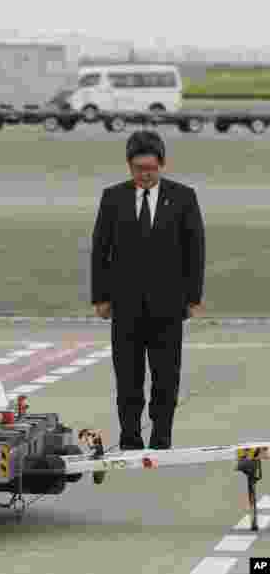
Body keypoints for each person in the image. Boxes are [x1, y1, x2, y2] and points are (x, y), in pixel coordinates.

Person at [90, 130, 205, 451]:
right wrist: (100, 297)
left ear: (163, 164)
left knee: (166, 377)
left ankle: (162, 435)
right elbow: (100, 250)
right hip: (124, 307)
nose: (145, 174)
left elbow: (195, 250)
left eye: (151, 168)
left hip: (168, 307)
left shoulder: (184, 197)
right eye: (139, 168)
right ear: (129, 166)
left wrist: (193, 297)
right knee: (128, 379)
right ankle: (130, 436)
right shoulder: (112, 198)